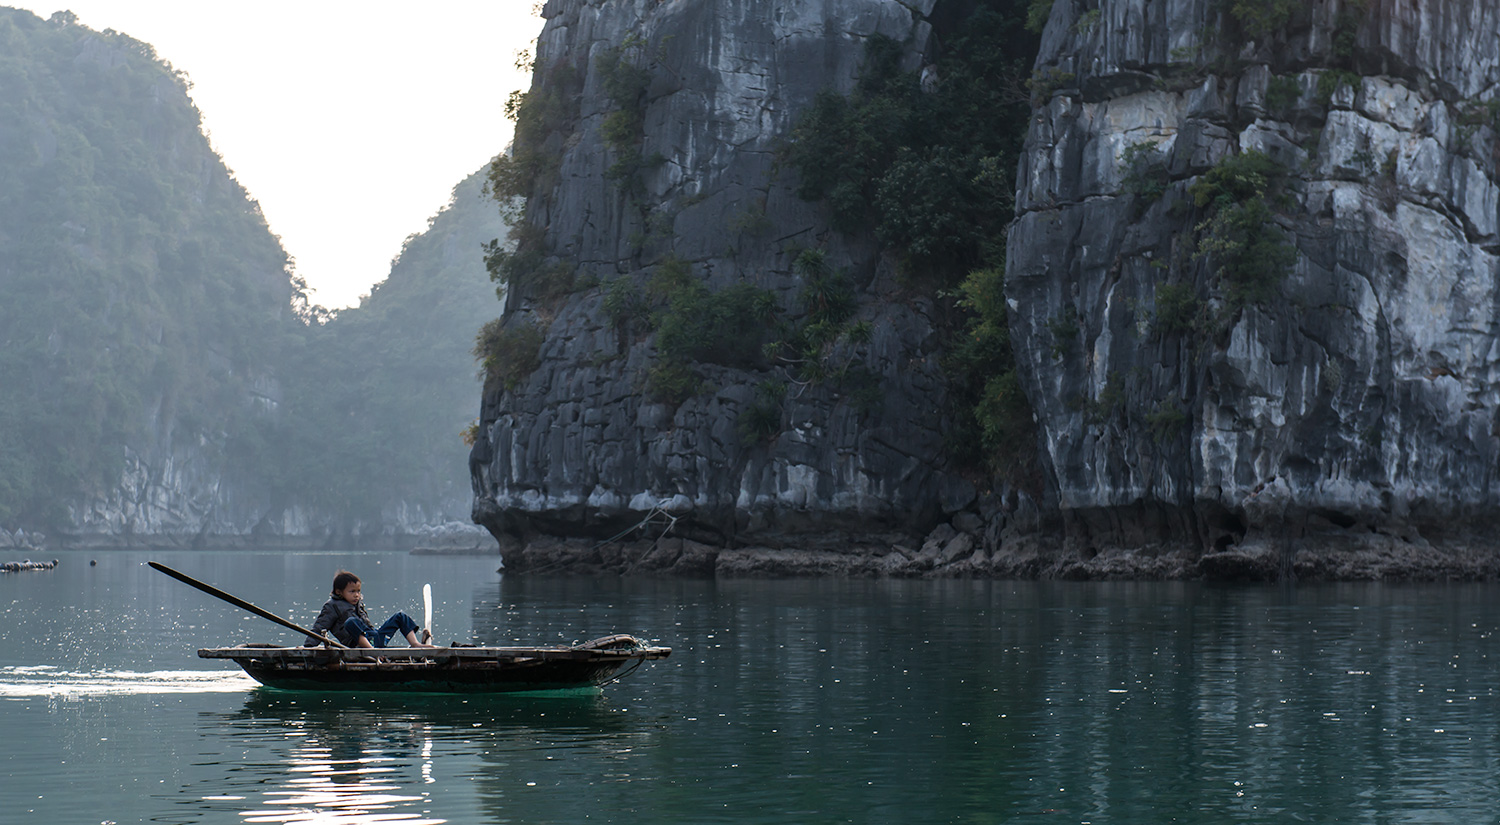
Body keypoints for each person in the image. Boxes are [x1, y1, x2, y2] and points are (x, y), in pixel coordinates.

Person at [304, 570, 435, 649]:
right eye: (352, 591)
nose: (357, 595)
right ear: (339, 592)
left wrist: (375, 635)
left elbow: (367, 625)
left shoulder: (357, 603)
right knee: (350, 622)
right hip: (357, 645)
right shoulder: (332, 606)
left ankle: (415, 644)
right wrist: (308, 647)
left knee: (400, 616)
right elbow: (319, 627)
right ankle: (371, 651)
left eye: (358, 591)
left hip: (374, 639)